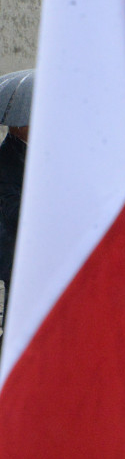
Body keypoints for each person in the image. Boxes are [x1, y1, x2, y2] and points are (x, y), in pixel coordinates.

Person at [0, 126, 27, 338]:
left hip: (28, 243)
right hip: (12, 245)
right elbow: (11, 210)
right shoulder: (7, 157)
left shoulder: (29, 151)